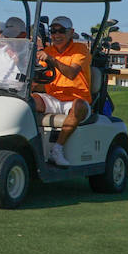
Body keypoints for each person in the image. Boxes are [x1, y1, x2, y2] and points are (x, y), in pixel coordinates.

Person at [32, 15, 91, 166]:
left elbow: (71, 73)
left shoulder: (80, 50)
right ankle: (30, 145)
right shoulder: (47, 50)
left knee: (79, 106)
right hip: (53, 97)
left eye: (61, 31)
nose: (56, 35)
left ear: (71, 32)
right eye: (53, 31)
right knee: (29, 101)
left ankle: (57, 149)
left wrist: (51, 59)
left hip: (76, 99)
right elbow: (41, 77)